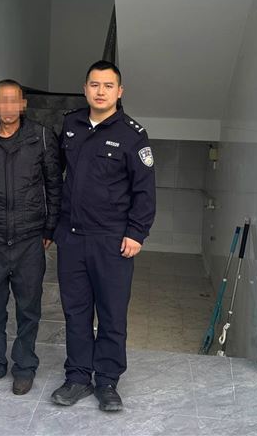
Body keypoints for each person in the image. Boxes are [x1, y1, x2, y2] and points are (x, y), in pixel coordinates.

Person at [50, 61, 156, 411]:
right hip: (72, 238)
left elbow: (145, 190)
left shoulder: (132, 134)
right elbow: (56, 177)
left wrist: (136, 233)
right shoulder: (71, 125)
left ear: (119, 91)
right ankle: (78, 377)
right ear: (85, 89)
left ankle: (108, 381)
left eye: (108, 86)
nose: (100, 91)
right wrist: (53, 226)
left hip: (112, 241)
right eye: (94, 84)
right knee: (76, 312)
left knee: (112, 314)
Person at [0, 79, 61, 395]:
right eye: (2, 101)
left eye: (14, 100)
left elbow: (54, 185)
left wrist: (49, 227)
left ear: (23, 105)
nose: (8, 107)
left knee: (28, 308)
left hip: (29, 239)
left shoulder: (41, 137)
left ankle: (25, 366)